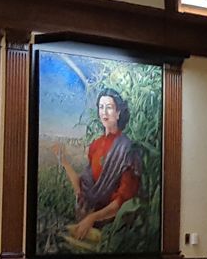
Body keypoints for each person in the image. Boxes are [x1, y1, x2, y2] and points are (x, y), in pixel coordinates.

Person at [55, 88, 142, 246]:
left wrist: (92, 218)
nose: (104, 112)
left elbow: (122, 202)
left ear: (118, 113)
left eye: (109, 107)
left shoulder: (128, 150)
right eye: (101, 107)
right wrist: (64, 162)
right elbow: (82, 189)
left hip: (112, 231)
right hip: (86, 224)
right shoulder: (95, 145)